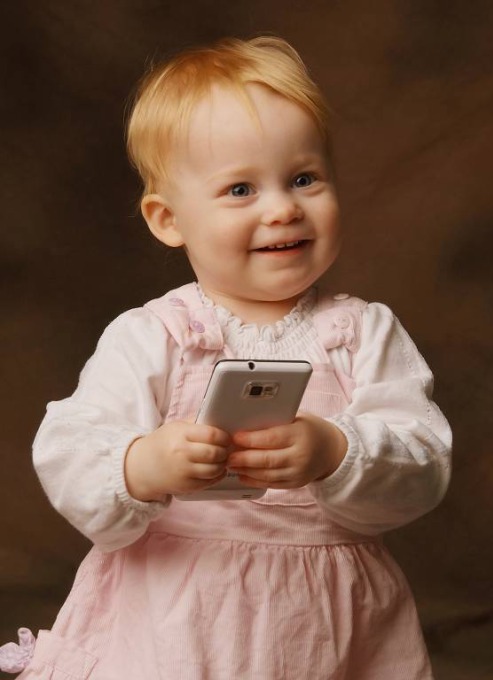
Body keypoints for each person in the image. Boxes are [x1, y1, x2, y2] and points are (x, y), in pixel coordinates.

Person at [1, 36, 452, 679]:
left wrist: (336, 450)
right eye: (241, 189)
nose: (283, 208)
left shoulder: (362, 333)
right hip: (175, 622)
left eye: (303, 178)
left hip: (326, 627)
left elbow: (424, 463)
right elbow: (70, 451)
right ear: (168, 219)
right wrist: (141, 464)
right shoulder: (155, 336)